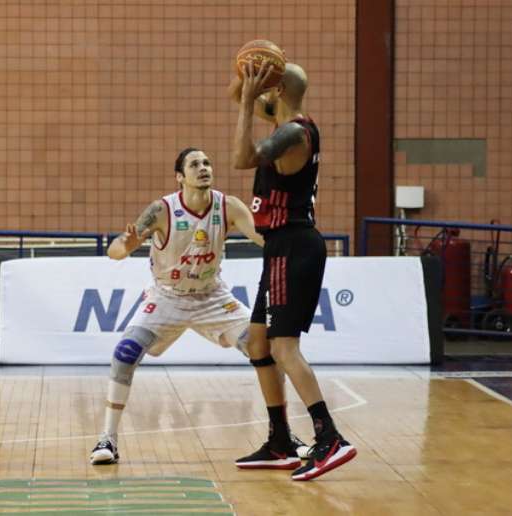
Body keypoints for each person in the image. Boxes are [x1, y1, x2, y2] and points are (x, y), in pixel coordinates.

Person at [90, 147, 308, 465]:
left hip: (213, 298)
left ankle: (282, 435)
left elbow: (264, 238)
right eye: (195, 164)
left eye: (207, 162)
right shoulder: (162, 210)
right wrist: (127, 245)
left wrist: (293, 235)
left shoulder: (228, 205)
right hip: (167, 297)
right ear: (180, 177)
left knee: (265, 351)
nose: (203, 168)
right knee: (124, 355)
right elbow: (115, 251)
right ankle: (107, 439)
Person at [229, 61, 356, 481]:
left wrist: (250, 99)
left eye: (270, 86)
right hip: (281, 245)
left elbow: (241, 158)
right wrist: (248, 81)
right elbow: (238, 97)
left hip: (294, 244)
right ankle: (280, 439)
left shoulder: (292, 133)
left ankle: (329, 436)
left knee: (285, 348)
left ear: (278, 89)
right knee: (259, 344)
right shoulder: (287, 121)